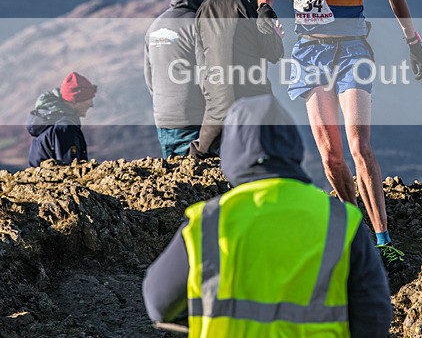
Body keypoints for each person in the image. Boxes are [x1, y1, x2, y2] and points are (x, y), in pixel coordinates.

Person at [257, 0, 422, 272]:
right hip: (308, 54)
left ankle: (383, 237)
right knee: (331, 155)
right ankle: (355, 234)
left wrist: (412, 41)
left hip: (351, 50)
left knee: (357, 144)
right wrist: (265, 9)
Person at [142, 95, 392, 337]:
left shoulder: (208, 222)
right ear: (293, 146)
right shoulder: (340, 221)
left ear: (231, 151)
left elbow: (158, 305)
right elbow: (374, 318)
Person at [190, 0, 284, 159]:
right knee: (270, 154)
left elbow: (200, 57)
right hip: (252, 98)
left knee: (201, 156)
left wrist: (210, 91)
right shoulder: (252, 5)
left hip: (216, 98)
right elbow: (273, 54)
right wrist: (275, 35)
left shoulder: (205, 6)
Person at [144, 0, 213, 158]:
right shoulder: (196, 24)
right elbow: (205, 73)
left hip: (163, 118)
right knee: (198, 180)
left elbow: (149, 78)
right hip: (192, 119)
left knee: (173, 179)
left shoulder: (154, 27)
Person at [27, 71, 97, 167]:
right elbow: (69, 170)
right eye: (88, 99)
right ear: (76, 100)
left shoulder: (49, 123)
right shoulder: (66, 128)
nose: (91, 104)